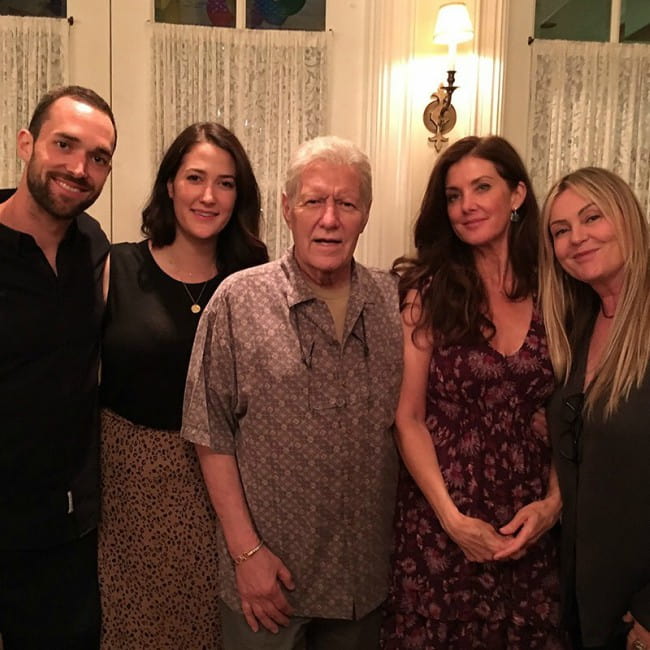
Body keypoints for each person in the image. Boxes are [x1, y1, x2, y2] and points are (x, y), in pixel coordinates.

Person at [181, 135, 403, 650]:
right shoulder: (239, 300)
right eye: (313, 201)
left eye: (346, 203)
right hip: (270, 583)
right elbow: (210, 434)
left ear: (364, 214)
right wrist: (245, 554)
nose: (330, 219)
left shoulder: (395, 302)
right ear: (287, 209)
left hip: (363, 581)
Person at [382, 135, 567, 649]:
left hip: (530, 530)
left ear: (517, 195)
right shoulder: (428, 291)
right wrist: (452, 519)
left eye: (482, 187)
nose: (466, 206)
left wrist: (554, 504)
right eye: (454, 195)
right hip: (442, 528)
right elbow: (409, 417)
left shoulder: (556, 289)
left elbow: (574, 412)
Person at [98, 122, 268, 649]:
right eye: (195, 177)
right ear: (169, 184)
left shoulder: (255, 276)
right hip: (129, 496)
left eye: (225, 182)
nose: (208, 196)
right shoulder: (115, 267)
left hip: (228, 491)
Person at [0, 85, 116, 649]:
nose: (79, 168)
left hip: (64, 530)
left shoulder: (93, 246)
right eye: (64, 145)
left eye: (98, 158)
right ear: (26, 144)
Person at [540, 167, 650, 650]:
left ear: (626, 217)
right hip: (585, 599)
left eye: (591, 218)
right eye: (561, 231)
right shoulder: (578, 326)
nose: (576, 239)